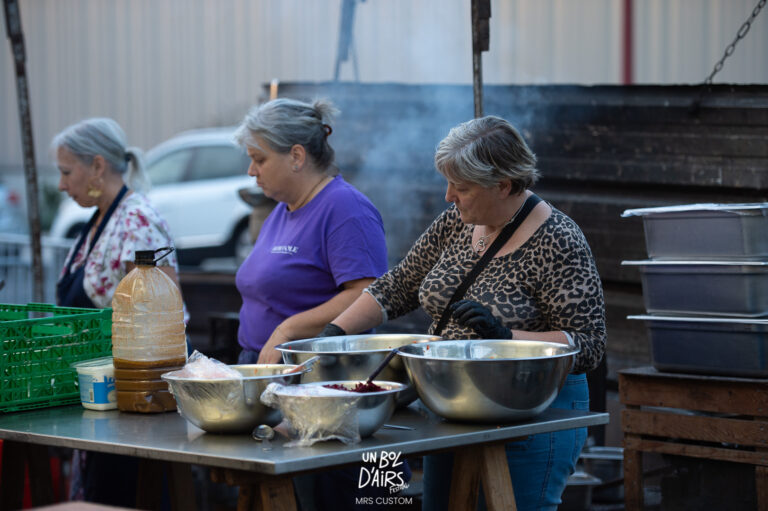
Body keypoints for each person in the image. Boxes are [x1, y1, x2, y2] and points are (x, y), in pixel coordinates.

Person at [322, 115, 607, 511]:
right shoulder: (456, 222)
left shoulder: (560, 239)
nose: (448, 196)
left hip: (532, 411)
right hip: (451, 406)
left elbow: (589, 345)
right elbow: (398, 285)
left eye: (462, 187)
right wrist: (333, 333)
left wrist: (505, 337)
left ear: (503, 185)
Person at [53, 117, 183, 507]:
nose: (61, 185)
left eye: (66, 172)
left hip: (134, 400)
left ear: (97, 166)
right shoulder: (96, 221)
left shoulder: (136, 221)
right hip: (102, 396)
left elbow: (162, 318)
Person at [233, 98, 388, 365]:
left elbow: (368, 295)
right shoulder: (280, 210)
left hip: (314, 371)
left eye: (259, 159)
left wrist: (288, 329)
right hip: (265, 363)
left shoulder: (346, 208)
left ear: (296, 156)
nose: (251, 171)